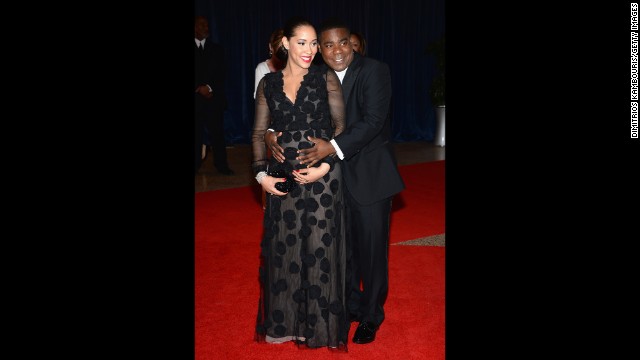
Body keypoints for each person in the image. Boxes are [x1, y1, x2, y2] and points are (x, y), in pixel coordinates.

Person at [265, 18, 405, 345]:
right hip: (328, 181)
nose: (336, 50)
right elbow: (293, 113)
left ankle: (371, 315)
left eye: (342, 42)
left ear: (352, 42)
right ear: (320, 49)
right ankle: (350, 306)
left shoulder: (374, 71)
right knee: (340, 251)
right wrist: (272, 132)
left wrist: (333, 146)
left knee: (371, 253)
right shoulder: (313, 76)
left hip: (370, 177)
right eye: (327, 45)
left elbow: (372, 122)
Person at [252, 16, 349, 350]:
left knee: (320, 249)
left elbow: (340, 128)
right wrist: (261, 176)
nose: (310, 50)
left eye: (313, 43)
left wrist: (325, 165)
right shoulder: (268, 84)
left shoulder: (325, 79)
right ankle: (288, 323)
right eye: (302, 42)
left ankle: (319, 327)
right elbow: (257, 132)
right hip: (283, 178)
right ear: (286, 44)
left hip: (322, 177)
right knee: (286, 248)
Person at [195, 15, 234, 176]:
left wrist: (209, 87)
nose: (206, 27)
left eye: (207, 25)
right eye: (202, 25)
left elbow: (222, 72)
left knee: (217, 134)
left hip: (213, 98)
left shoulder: (217, 49)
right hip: (195, 99)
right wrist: (198, 88)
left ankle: (221, 165)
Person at [253, 29, 286, 99]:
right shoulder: (262, 68)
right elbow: (258, 97)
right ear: (271, 47)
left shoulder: (291, 67)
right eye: (279, 51)